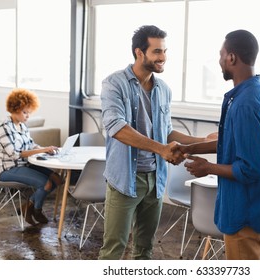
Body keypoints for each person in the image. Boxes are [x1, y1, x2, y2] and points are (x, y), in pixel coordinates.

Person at [98, 25, 209, 260]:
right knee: (113, 250)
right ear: (140, 52)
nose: (163, 57)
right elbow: (116, 127)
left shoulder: (163, 90)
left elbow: (166, 132)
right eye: (157, 51)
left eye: (165, 51)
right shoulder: (114, 84)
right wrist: (161, 149)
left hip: (155, 180)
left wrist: (202, 141)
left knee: (145, 249)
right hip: (125, 179)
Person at [176, 29, 260, 260]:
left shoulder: (245, 104)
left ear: (231, 57)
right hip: (253, 207)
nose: (219, 60)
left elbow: (252, 168)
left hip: (245, 212)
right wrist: (190, 148)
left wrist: (208, 168)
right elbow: (233, 144)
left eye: (221, 54)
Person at [0, 88, 63, 225]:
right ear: (14, 109)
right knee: (46, 183)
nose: (27, 116)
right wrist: (41, 150)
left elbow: (31, 145)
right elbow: (15, 154)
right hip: (8, 169)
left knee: (57, 178)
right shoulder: (4, 128)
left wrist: (45, 149)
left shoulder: (22, 126)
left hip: (23, 165)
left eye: (29, 113)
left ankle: (27, 206)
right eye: (25, 112)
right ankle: (37, 210)